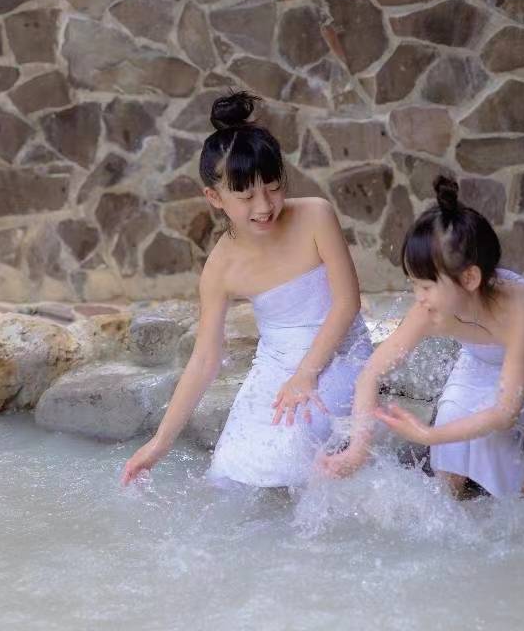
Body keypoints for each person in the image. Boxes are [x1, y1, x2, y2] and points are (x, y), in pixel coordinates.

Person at [120, 92, 371, 488]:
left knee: (291, 449)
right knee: (230, 468)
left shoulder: (315, 216)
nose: (264, 205)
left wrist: (305, 375)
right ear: (214, 197)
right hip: (275, 365)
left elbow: (347, 304)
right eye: (246, 196)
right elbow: (205, 359)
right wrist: (159, 443)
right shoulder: (221, 267)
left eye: (272, 187)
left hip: (337, 353)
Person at [320, 176, 524, 498]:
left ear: (469, 278)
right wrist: (357, 451)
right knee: (451, 416)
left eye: (426, 286)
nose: (419, 297)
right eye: (414, 284)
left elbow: (504, 413)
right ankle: (450, 503)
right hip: (481, 357)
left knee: (493, 437)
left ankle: (518, 509)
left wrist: (428, 435)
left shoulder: (518, 307)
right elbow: (371, 373)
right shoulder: (428, 310)